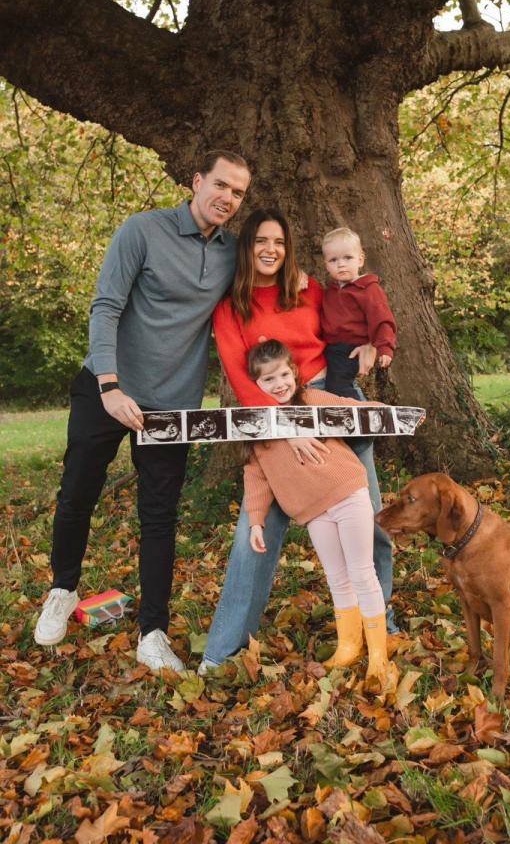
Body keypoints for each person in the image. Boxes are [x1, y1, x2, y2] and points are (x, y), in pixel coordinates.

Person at [33, 150, 252, 671]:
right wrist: (109, 386)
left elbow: (272, 286)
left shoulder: (232, 252)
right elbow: (105, 305)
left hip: (171, 405)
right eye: (221, 185)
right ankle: (63, 588)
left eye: (238, 192)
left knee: (159, 517)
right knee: (77, 493)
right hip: (106, 389)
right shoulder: (142, 230)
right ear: (196, 181)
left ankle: (152, 632)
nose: (227, 198)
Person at [199, 207, 397, 674]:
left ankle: (380, 625)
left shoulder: (309, 288)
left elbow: (355, 315)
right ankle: (222, 651)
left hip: (326, 400)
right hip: (271, 418)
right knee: (256, 536)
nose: (271, 250)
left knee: (368, 519)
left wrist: (372, 344)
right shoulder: (230, 306)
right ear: (246, 247)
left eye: (280, 242)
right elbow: (239, 377)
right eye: (260, 241)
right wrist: (287, 429)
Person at [245, 340, 395, 682]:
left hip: (346, 493)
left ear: (295, 374)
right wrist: (255, 521)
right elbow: (255, 476)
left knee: (361, 572)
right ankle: (348, 646)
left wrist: (387, 411)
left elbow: (349, 407)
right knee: (337, 577)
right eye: (268, 379)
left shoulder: (311, 399)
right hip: (312, 511)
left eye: (284, 374)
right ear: (254, 385)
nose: (279, 383)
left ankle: (378, 654)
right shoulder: (256, 425)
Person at [321, 227, 397, 399]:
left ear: (360, 260)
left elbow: (382, 319)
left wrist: (384, 347)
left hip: (350, 348)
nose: (341, 264)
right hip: (330, 348)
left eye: (348, 258)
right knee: (326, 384)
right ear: (326, 264)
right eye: (333, 260)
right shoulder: (330, 291)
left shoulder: (368, 289)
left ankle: (360, 411)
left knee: (338, 386)